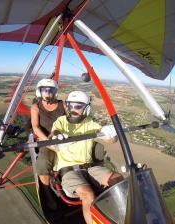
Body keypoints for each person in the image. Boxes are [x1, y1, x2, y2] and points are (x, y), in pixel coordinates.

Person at [50, 91, 123, 224]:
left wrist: (110, 134)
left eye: (78, 107)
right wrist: (57, 137)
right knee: (87, 194)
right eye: (70, 106)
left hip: (89, 168)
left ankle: (120, 216)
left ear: (86, 109)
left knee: (117, 179)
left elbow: (110, 140)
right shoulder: (61, 121)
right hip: (68, 169)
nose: (73, 110)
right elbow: (54, 133)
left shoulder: (90, 123)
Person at [30, 78, 65, 210]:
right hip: (45, 140)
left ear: (55, 92)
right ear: (40, 92)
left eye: (50, 90)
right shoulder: (36, 107)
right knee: (43, 164)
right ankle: (48, 193)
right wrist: (48, 142)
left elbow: (70, 122)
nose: (47, 93)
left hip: (62, 138)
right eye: (45, 90)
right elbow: (36, 127)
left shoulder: (63, 105)